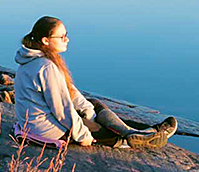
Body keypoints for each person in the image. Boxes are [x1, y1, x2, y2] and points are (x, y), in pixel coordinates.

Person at [13, 16, 177, 149]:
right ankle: (138, 138)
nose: (67, 39)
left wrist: (90, 112)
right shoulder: (45, 67)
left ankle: (131, 132)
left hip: (37, 122)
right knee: (102, 131)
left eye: (66, 35)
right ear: (45, 41)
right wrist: (82, 135)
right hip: (46, 130)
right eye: (62, 37)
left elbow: (68, 91)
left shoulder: (36, 59)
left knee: (93, 104)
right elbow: (62, 109)